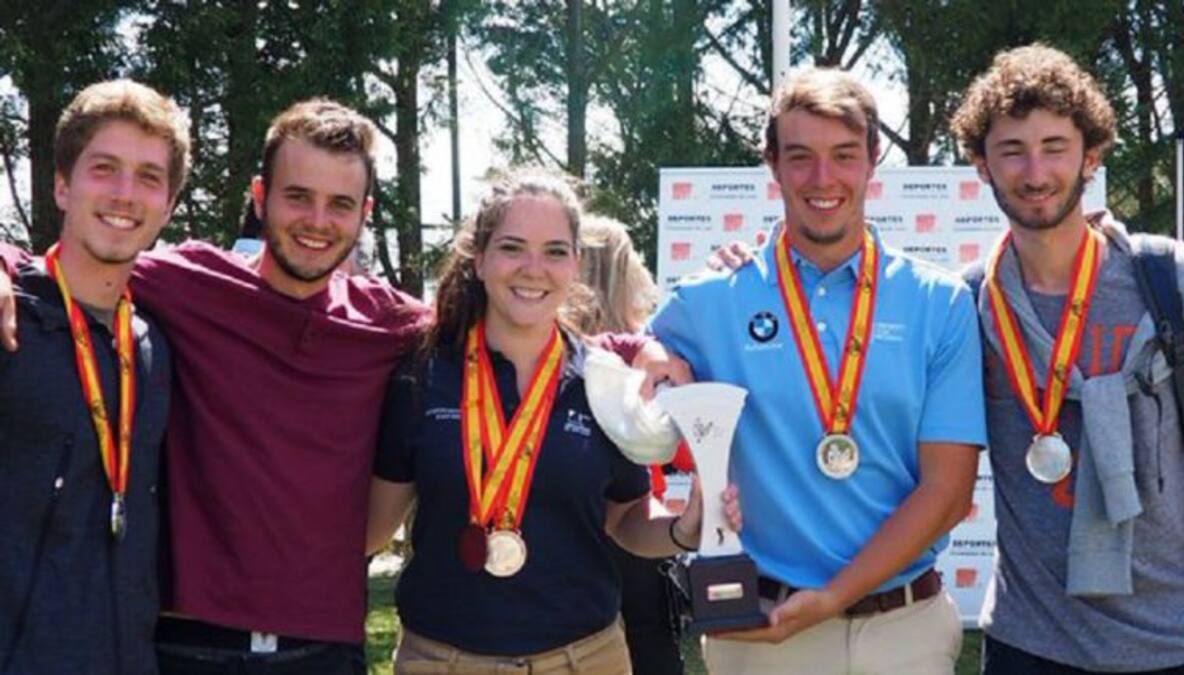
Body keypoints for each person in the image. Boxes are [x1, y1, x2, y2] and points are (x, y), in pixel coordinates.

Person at [0, 98, 430, 674]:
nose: (317, 221)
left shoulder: (392, 324)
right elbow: (63, 262)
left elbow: (495, 319)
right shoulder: (187, 283)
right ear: (260, 196)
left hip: (326, 653)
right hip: (185, 645)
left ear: (364, 213)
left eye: (340, 205)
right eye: (298, 196)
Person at [648, 67, 987, 674]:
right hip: (760, 628)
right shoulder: (708, 300)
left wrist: (834, 596)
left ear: (873, 159)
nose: (823, 179)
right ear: (772, 165)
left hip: (903, 630)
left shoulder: (940, 303)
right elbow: (621, 374)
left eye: (844, 155)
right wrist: (648, 361)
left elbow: (948, 491)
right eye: (800, 157)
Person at [365, 172, 738, 674]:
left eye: (555, 251)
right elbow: (371, 530)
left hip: (584, 660)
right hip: (443, 661)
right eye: (513, 247)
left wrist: (685, 528)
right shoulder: (422, 372)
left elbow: (625, 521)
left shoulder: (604, 380)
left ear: (577, 265)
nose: (533, 269)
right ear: (479, 259)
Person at [950, 44, 1184, 674]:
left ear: (1090, 155)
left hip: (1172, 638)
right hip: (1029, 641)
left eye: (1055, 147)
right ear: (981, 164)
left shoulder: (1173, 280)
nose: (1035, 172)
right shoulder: (969, 305)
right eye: (1011, 150)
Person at [0, 80, 187, 675]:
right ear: (62, 184)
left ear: (169, 206)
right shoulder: (8, 324)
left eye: (149, 177)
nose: (125, 194)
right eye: (104, 168)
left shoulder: (154, 347)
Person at [567, 214, 689, 675]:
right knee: (649, 646)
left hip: (578, 532)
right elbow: (682, 453)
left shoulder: (556, 357)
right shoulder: (644, 355)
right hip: (638, 530)